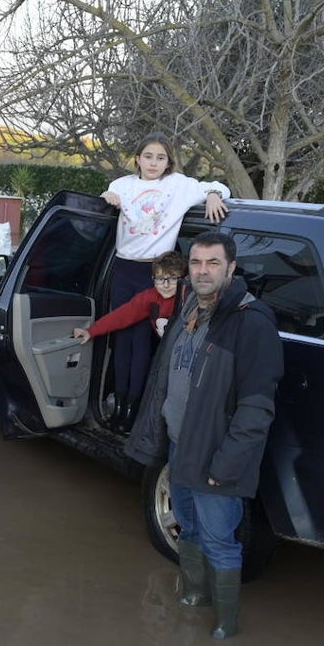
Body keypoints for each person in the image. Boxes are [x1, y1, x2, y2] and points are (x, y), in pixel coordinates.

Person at [125, 231, 283, 639]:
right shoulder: (190, 307)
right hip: (181, 445)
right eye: (196, 263)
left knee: (220, 539)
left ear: (231, 268)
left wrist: (228, 463)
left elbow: (257, 407)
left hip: (217, 455)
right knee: (189, 527)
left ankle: (226, 623)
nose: (202, 271)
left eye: (213, 263)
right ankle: (196, 593)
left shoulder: (252, 322)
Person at [101, 132, 230, 431]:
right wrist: (109, 198)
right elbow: (108, 197)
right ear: (137, 158)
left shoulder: (178, 186)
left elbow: (220, 186)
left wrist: (213, 195)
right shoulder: (122, 185)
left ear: (169, 161)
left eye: (160, 158)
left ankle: (133, 410)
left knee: (143, 342)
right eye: (148, 156)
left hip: (156, 276)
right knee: (122, 340)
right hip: (123, 270)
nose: (153, 163)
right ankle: (118, 406)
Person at [72, 250, 187, 432]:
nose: (165, 285)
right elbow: (122, 315)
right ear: (153, 278)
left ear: (183, 279)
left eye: (172, 279)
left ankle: (149, 423)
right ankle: (124, 410)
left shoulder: (186, 299)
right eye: (160, 279)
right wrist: (90, 331)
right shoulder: (150, 297)